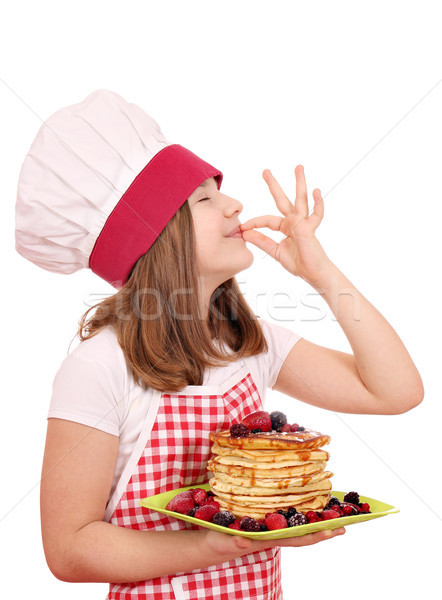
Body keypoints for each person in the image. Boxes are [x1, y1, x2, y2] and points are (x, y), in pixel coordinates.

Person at [15, 89, 423, 600]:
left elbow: (396, 392)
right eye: (205, 198)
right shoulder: (99, 366)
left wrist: (320, 272)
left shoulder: (249, 344)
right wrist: (211, 547)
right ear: (156, 239)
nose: (233, 203)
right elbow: (69, 549)